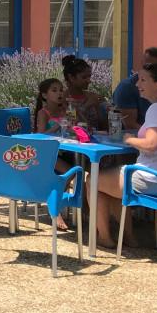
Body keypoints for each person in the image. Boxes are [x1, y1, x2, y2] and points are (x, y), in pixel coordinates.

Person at [94, 63, 157, 248]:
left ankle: (105, 237)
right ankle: (128, 237)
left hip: (154, 179)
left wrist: (129, 139)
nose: (137, 83)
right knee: (109, 181)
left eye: (143, 79)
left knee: (93, 180)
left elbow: (151, 144)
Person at [32, 78, 74, 230]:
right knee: (71, 172)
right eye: (54, 90)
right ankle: (55, 209)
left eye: (61, 90)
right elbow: (40, 136)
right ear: (44, 95)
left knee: (81, 169)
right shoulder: (44, 113)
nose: (59, 93)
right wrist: (57, 126)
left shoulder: (65, 111)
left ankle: (83, 208)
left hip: (65, 151)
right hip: (47, 154)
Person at [112, 47, 157, 131]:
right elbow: (130, 125)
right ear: (142, 64)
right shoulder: (127, 87)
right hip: (134, 139)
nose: (152, 70)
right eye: (148, 66)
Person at [61, 54, 107, 130]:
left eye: (89, 76)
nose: (89, 81)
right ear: (71, 77)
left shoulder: (94, 97)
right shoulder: (63, 99)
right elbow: (72, 126)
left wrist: (100, 108)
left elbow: (105, 128)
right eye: (84, 77)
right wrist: (86, 106)